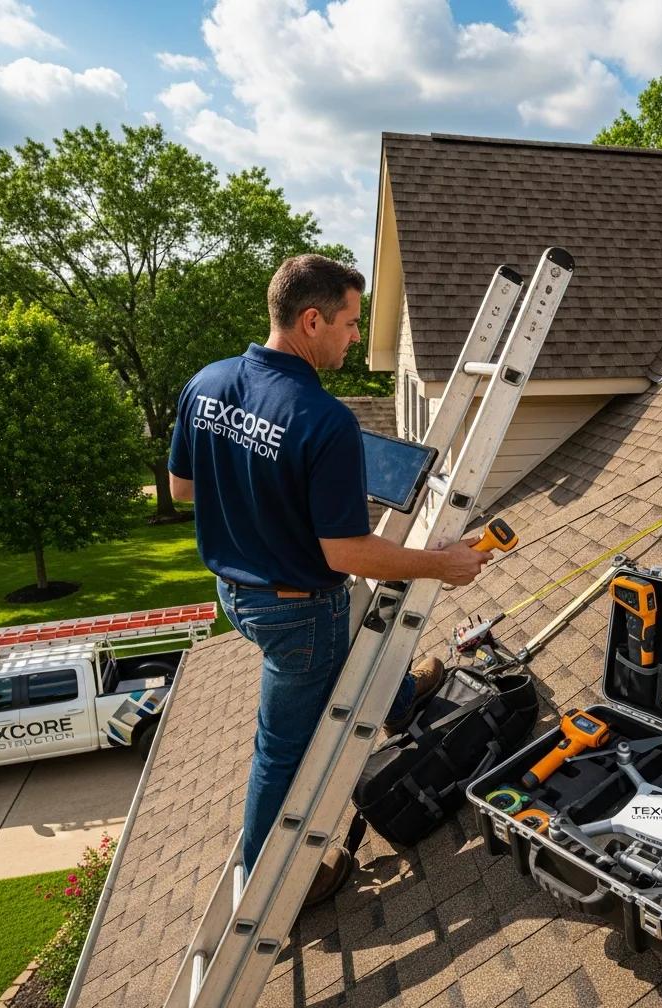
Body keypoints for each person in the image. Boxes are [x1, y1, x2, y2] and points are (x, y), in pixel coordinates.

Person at [168, 253, 492, 904]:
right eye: (349, 322)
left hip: (236, 591)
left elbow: (182, 487)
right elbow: (345, 554)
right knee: (280, 751)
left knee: (354, 636)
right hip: (295, 611)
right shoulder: (324, 419)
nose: (354, 335)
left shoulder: (207, 383)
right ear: (311, 320)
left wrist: (263, 491)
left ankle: (399, 696)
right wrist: (442, 565)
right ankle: (273, 886)